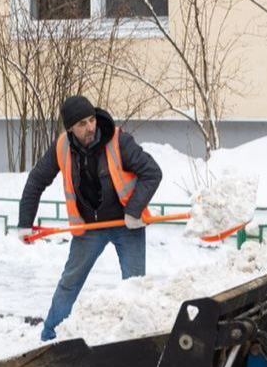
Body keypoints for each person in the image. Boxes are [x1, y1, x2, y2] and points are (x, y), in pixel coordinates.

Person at [18, 95, 162, 341]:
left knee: (135, 285)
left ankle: (138, 338)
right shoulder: (62, 147)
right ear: (71, 128)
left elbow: (152, 172)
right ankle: (50, 335)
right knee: (70, 281)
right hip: (90, 227)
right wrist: (24, 222)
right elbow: (36, 181)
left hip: (126, 225)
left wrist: (134, 210)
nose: (90, 127)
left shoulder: (119, 141)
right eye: (82, 123)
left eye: (92, 119)